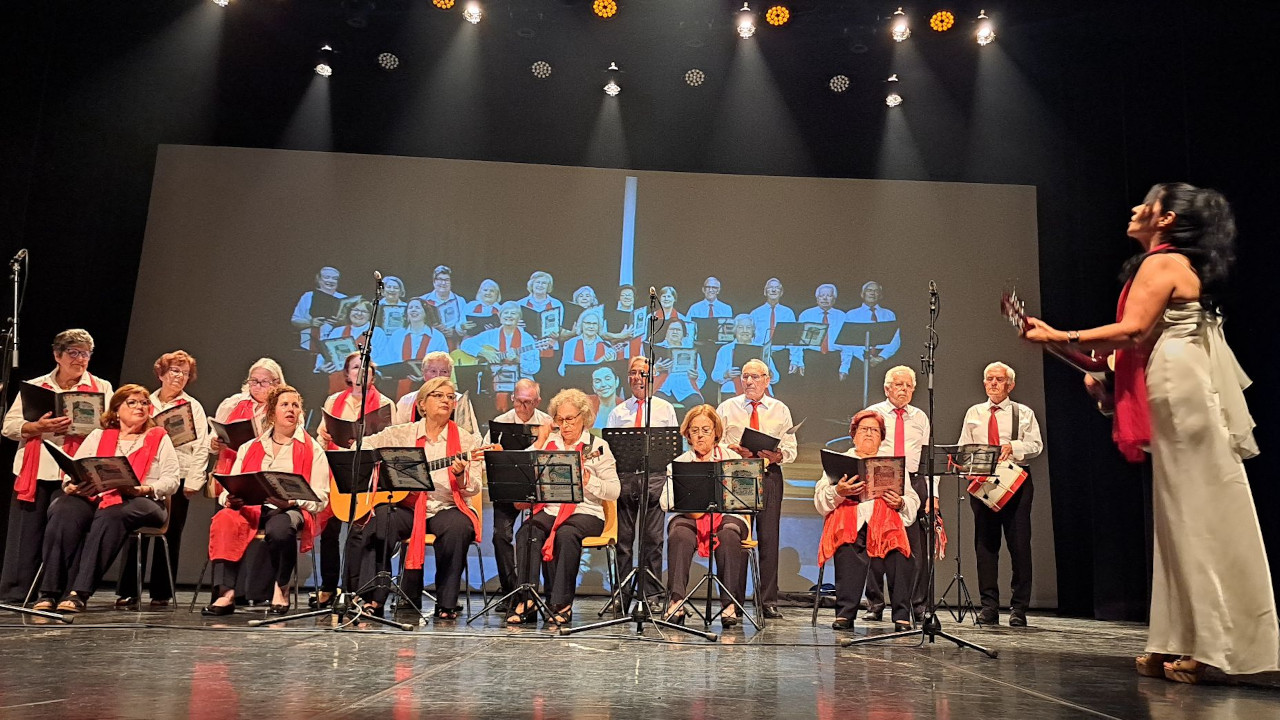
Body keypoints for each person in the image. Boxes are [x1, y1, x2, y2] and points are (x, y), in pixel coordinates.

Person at [1022, 182, 1276, 680]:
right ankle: (1178, 637)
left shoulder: (1162, 263)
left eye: (1148, 203)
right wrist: (1079, 362)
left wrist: (1061, 334)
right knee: (1177, 517)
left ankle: (1218, 646)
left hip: (1180, 384)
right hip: (1173, 379)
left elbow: (1134, 330)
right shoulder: (1166, 263)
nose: (1136, 207)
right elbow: (1127, 351)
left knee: (1194, 514)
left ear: (1165, 219)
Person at [343, 377, 488, 619]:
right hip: (407, 506)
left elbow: (472, 489)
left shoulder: (467, 440)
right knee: (380, 520)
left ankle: (447, 603)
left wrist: (461, 474)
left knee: (458, 528)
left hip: (447, 505)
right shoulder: (401, 434)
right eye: (439, 395)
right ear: (422, 404)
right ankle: (372, 598)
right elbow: (364, 448)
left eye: (450, 397)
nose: (446, 400)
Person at [35, 385, 180, 613]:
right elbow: (74, 468)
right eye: (132, 402)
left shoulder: (158, 437)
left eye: (143, 403)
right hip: (99, 497)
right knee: (64, 508)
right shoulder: (98, 436)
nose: (139, 407)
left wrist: (142, 489)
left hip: (145, 500)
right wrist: (71, 485)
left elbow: (172, 480)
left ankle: (79, 592)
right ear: (116, 409)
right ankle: (49, 592)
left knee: (113, 514)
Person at [1, 329, 114, 603]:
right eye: (74, 353)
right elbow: (9, 426)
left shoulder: (101, 387)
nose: (80, 359)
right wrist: (36, 426)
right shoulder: (36, 385)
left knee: (64, 532)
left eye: (85, 354)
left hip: (74, 470)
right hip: (36, 467)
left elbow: (110, 426)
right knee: (27, 535)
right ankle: (17, 593)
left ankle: (55, 592)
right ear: (57, 355)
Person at [202, 385, 330, 617]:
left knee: (281, 528)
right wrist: (229, 498)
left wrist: (292, 502)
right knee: (224, 519)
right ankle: (226, 592)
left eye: (295, 405)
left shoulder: (313, 450)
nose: (291, 409)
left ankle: (281, 587)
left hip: (290, 509)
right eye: (284, 405)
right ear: (272, 413)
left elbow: (321, 498)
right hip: (250, 508)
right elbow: (229, 487)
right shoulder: (249, 447)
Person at [506, 389, 620, 627]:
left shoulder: (597, 446)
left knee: (567, 534)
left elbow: (614, 490)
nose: (565, 425)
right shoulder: (550, 443)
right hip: (550, 509)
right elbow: (521, 470)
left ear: (584, 417)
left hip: (587, 512)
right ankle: (527, 600)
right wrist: (540, 440)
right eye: (560, 420)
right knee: (528, 532)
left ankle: (560, 603)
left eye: (571, 419)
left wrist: (590, 481)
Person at [116, 350, 209, 609]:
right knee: (136, 533)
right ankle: (129, 590)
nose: (180, 377)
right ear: (161, 373)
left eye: (186, 373)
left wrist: (193, 480)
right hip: (144, 473)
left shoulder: (193, 407)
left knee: (171, 533)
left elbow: (201, 446)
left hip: (177, 473)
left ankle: (161, 592)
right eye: (175, 371)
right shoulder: (146, 402)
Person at [954, 362, 1042, 627]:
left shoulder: (1023, 412)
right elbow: (962, 448)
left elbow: (1036, 445)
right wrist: (966, 467)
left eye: (999, 379)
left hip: (1015, 484)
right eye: (989, 379)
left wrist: (1011, 446)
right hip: (983, 485)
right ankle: (989, 606)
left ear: (1010, 385)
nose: (993, 383)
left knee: (1019, 546)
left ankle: (1019, 608)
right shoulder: (974, 412)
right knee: (985, 546)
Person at [815, 410, 918, 631]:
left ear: (881, 437)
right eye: (863, 429)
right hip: (851, 523)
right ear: (853, 435)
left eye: (874, 430)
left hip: (886, 525)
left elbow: (912, 500)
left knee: (900, 552)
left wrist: (899, 502)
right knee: (848, 543)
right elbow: (820, 501)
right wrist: (838, 491)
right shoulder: (839, 461)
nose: (869, 434)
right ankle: (845, 613)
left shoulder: (893, 464)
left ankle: (902, 615)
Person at [313, 352, 396, 610]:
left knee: (360, 531)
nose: (361, 372)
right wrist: (325, 437)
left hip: (367, 476)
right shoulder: (333, 401)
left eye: (366, 368)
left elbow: (392, 442)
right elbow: (320, 441)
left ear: (373, 374)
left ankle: (353, 589)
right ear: (347, 374)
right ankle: (328, 587)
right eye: (355, 367)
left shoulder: (385, 403)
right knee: (329, 531)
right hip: (336, 472)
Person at [717, 358, 796, 619]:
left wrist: (777, 456)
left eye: (755, 377)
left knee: (769, 538)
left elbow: (791, 449)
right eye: (745, 376)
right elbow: (717, 444)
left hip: (769, 474)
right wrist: (733, 450)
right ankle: (734, 599)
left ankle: (767, 600)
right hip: (738, 474)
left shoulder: (779, 409)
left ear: (767, 379)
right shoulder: (727, 407)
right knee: (735, 534)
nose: (749, 381)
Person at [659, 405, 749, 628]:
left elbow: (745, 498)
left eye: (706, 430)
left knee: (728, 534)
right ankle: (676, 601)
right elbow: (664, 502)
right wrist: (686, 501)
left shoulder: (732, 459)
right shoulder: (679, 463)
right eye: (694, 430)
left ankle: (729, 605)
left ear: (716, 432)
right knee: (679, 533)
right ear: (687, 433)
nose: (699, 435)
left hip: (728, 516)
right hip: (690, 517)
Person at [606, 357, 679, 610]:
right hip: (626, 479)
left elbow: (672, 449)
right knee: (624, 540)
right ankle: (622, 593)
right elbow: (610, 450)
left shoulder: (664, 408)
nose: (637, 378)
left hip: (655, 478)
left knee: (652, 539)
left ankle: (651, 595)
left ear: (652, 376)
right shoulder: (618, 411)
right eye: (632, 373)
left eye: (642, 373)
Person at [861, 365, 932, 623]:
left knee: (914, 548)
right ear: (887, 388)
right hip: (881, 476)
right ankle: (875, 603)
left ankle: (917, 604)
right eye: (898, 385)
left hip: (913, 481)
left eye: (908, 386)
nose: (903, 390)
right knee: (875, 543)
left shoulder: (920, 417)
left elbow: (926, 459)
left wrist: (932, 494)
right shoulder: (874, 414)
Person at [484, 379, 551, 607]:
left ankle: (536, 590)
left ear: (538, 401)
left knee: (534, 534)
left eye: (529, 402)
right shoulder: (500, 424)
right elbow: (486, 462)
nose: (523, 407)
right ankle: (511, 590)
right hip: (509, 487)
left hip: (539, 488)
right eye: (519, 401)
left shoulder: (546, 423)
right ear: (512, 398)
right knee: (500, 535)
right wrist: (497, 457)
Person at [458, 300, 542, 412]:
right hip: (492, 380)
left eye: (513, 313)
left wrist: (518, 360)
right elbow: (465, 344)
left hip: (519, 381)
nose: (509, 316)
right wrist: (484, 352)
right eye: (506, 313)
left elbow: (535, 368)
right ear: (500, 316)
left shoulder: (527, 339)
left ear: (519, 318)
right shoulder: (490, 335)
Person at [210, 358, 285, 478]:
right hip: (230, 467)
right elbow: (213, 435)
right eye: (254, 381)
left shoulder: (284, 408)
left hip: (265, 470)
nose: (258, 386)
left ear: (276, 383)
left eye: (264, 382)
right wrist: (214, 443)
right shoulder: (233, 403)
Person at [380, 297, 448, 399]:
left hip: (429, 386)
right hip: (398, 386)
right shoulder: (397, 335)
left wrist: (424, 376)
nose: (413, 310)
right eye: (410, 308)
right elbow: (388, 359)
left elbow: (443, 364)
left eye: (417, 307)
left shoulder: (437, 336)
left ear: (425, 313)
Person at [710, 315, 780, 399]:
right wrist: (726, 374)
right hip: (732, 390)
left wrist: (770, 373)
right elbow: (715, 375)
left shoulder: (761, 349)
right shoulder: (725, 350)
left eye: (748, 327)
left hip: (759, 389)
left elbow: (776, 378)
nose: (745, 331)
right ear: (735, 330)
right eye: (740, 327)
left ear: (753, 330)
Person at [789, 283, 848, 380]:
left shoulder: (842, 316)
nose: (825, 298)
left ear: (834, 299)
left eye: (829, 295)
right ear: (817, 299)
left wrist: (844, 367)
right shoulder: (806, 315)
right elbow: (797, 341)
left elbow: (847, 344)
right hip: (811, 358)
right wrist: (798, 361)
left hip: (835, 359)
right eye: (821, 295)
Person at [652, 321, 707, 408]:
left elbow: (702, 376)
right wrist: (655, 369)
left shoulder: (691, 352)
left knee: (697, 402)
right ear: (666, 333)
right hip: (662, 388)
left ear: (684, 334)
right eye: (671, 329)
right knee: (657, 402)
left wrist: (695, 377)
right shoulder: (654, 349)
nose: (674, 332)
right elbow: (643, 373)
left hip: (685, 390)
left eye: (678, 330)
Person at [290, 266, 346, 350]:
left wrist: (340, 323)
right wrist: (310, 322)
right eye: (326, 277)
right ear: (318, 279)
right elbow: (295, 320)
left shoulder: (344, 299)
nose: (330, 281)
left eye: (334, 278)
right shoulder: (308, 296)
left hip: (334, 346)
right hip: (309, 345)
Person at [517, 270, 565, 353]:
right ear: (532, 284)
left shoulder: (556, 304)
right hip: (526, 347)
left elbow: (560, 326)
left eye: (544, 283)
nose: (540, 285)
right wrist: (516, 324)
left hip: (550, 347)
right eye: (537, 282)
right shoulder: (520, 303)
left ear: (548, 286)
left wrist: (557, 334)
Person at [558, 310, 618, 376]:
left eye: (594, 324)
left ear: (599, 326)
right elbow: (562, 370)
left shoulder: (606, 345)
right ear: (581, 325)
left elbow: (611, 371)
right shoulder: (570, 343)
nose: (591, 326)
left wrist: (609, 362)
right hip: (575, 381)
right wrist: (598, 362)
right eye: (588, 323)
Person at [421, 265, 467, 347]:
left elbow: (464, 323)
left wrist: (454, 332)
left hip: (453, 343)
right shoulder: (422, 300)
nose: (443, 283)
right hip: (429, 343)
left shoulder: (460, 301)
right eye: (440, 279)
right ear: (434, 281)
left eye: (447, 280)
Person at [748, 277, 796, 345]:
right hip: (760, 351)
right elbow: (749, 336)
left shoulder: (788, 313)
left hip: (781, 352)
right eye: (770, 287)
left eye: (777, 288)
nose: (773, 290)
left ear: (781, 292)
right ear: (765, 292)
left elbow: (793, 337)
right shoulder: (755, 313)